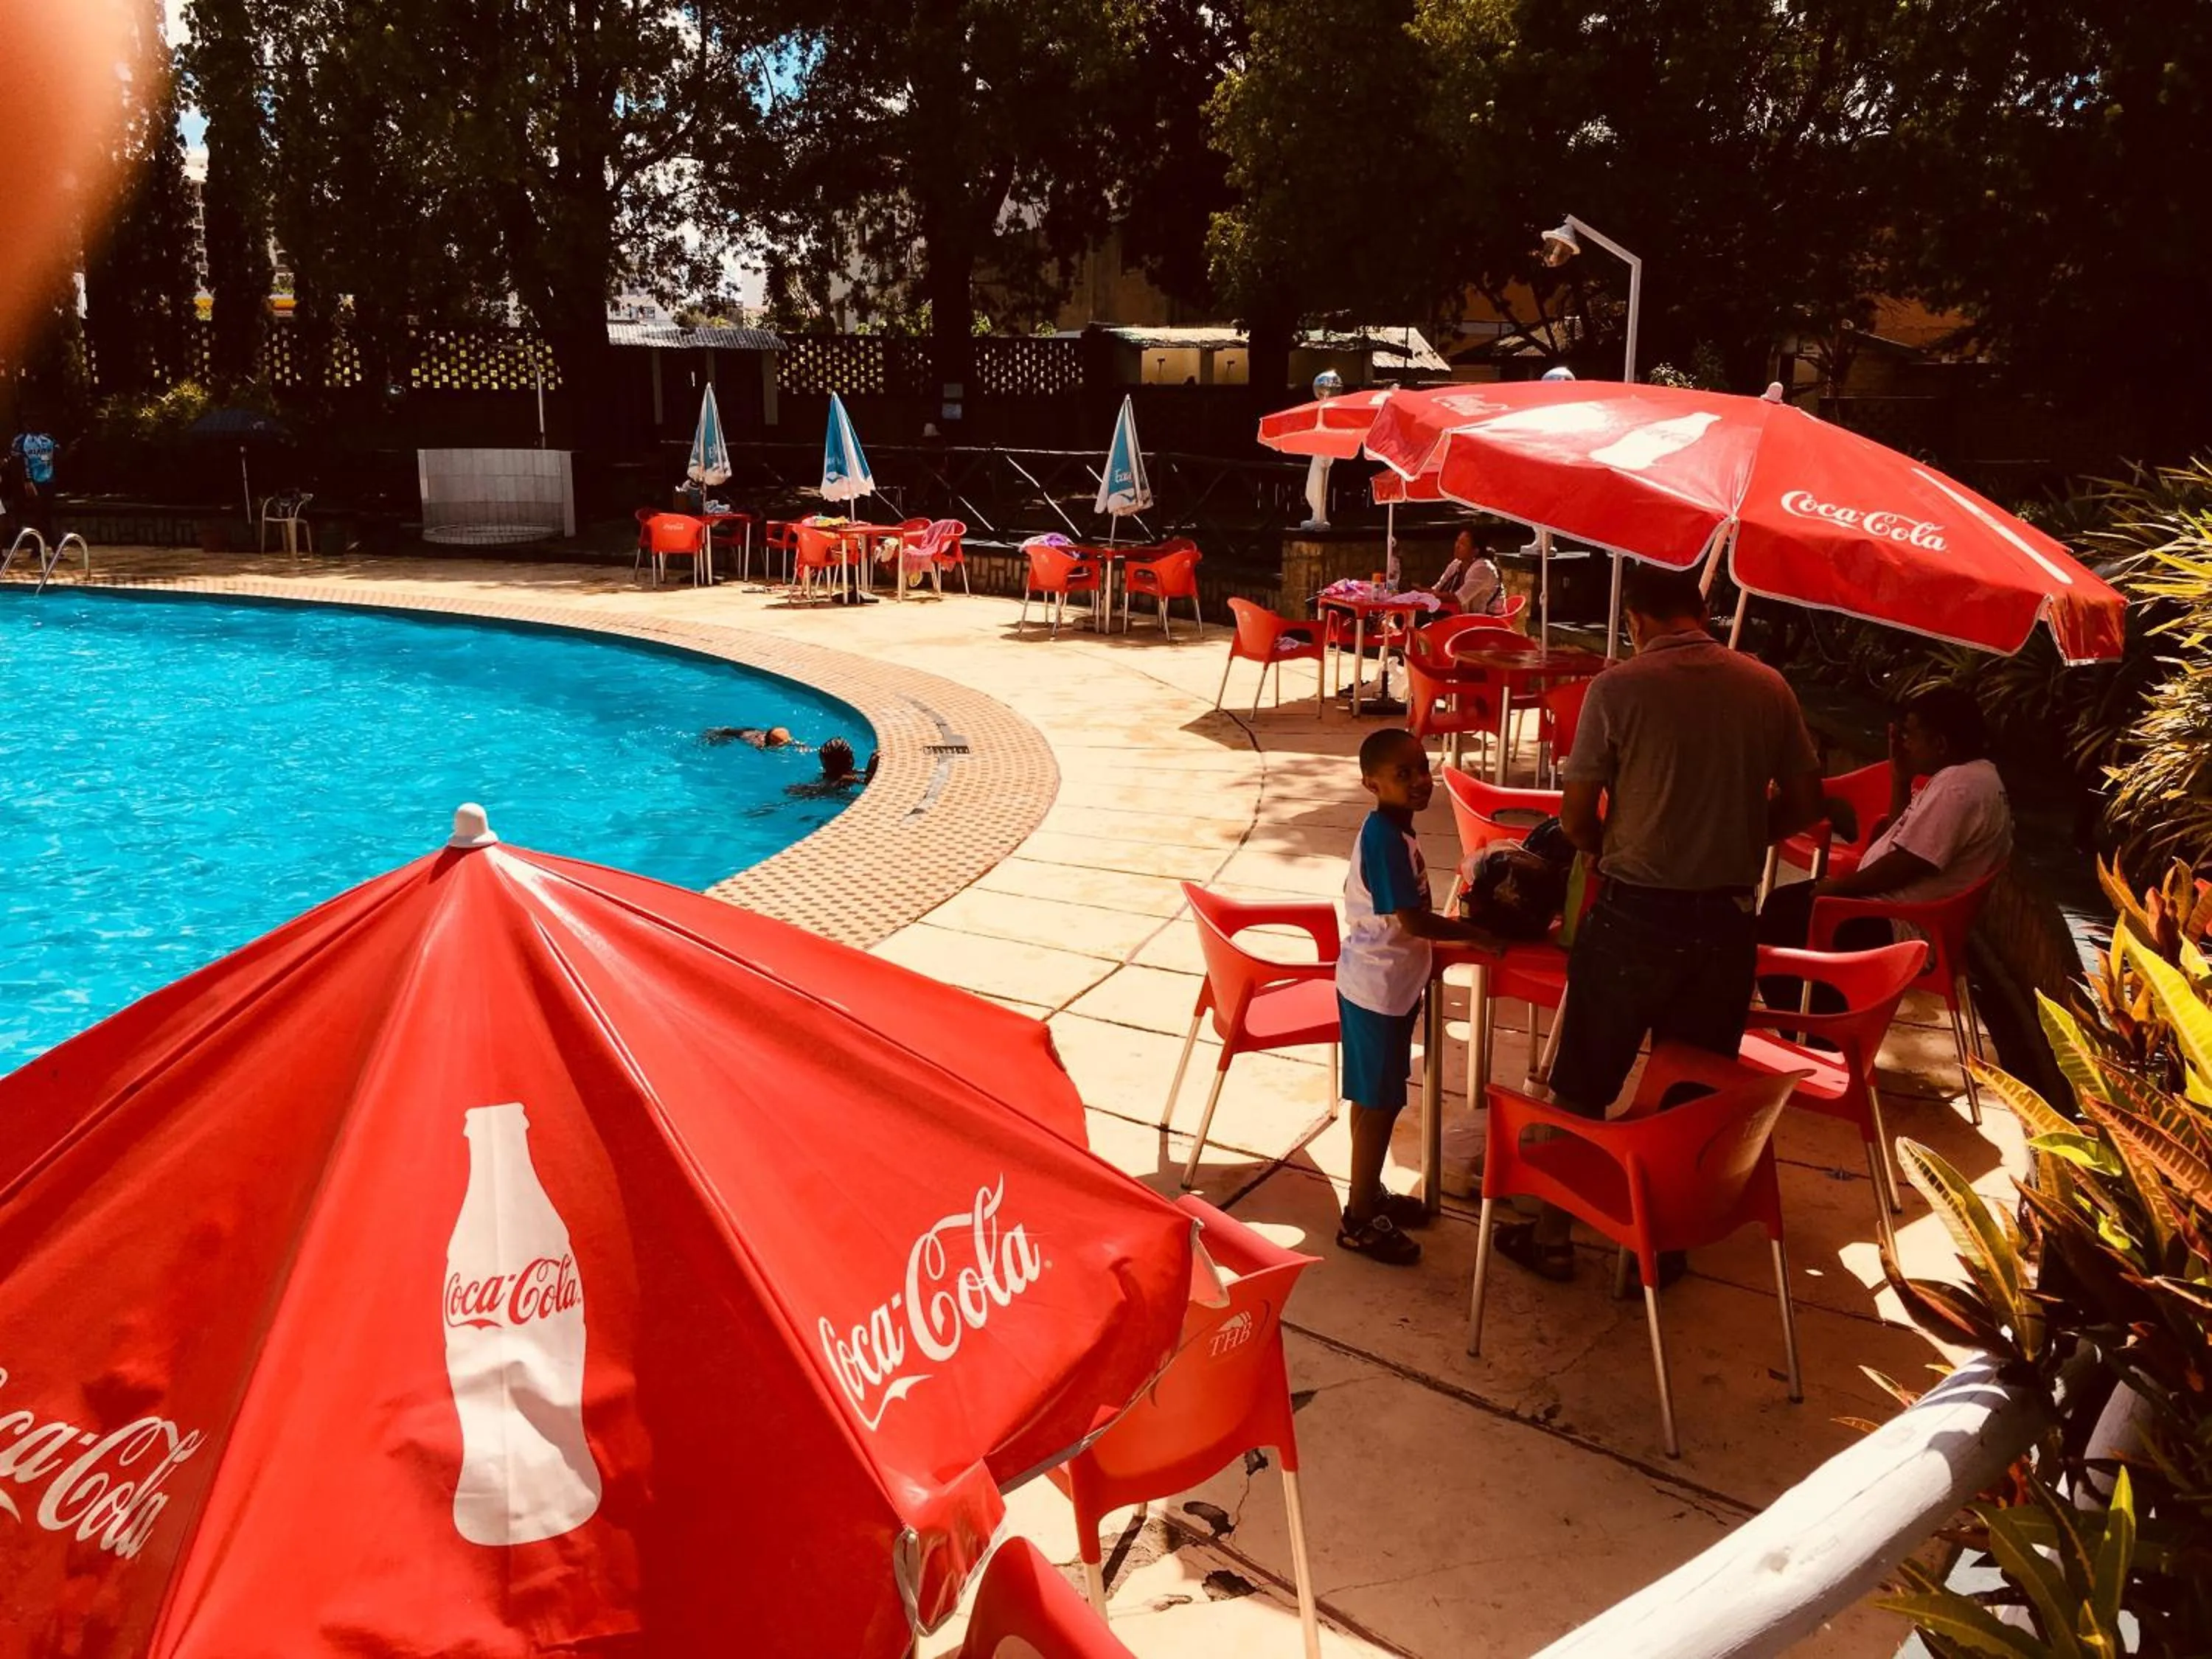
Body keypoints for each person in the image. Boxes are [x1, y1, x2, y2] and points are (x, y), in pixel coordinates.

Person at [1493, 563, 1824, 1284]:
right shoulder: (1767, 687)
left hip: (1634, 918)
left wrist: (1617, 846)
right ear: (1699, 612)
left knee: (1582, 1082)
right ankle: (1666, 1241)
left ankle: (1553, 1235)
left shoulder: (1619, 689)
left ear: (1637, 619)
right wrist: (1736, 839)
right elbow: (1804, 802)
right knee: (1689, 1090)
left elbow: (1577, 819)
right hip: (1727, 925)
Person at [1335, 728, 1499, 1266]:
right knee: (1378, 1103)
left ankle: (1369, 1189)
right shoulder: (1383, 836)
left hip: (1390, 985)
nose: (1418, 783)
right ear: (1371, 783)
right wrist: (1476, 935)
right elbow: (1411, 918)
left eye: (1422, 769)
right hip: (1377, 989)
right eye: (1402, 775)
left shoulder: (1397, 831)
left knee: (1376, 1097)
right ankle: (1359, 1218)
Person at [1759, 683, 2011, 965]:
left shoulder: (1959, 788)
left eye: (1910, 736)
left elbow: (1905, 864)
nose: (1904, 744)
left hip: (1898, 923)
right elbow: (1901, 836)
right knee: (1783, 905)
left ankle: (1819, 1002)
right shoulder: (1972, 777)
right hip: (1889, 908)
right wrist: (1901, 779)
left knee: (1782, 919)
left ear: (1940, 744)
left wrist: (1841, 888)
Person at [1419, 529, 1504, 616]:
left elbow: (1458, 598)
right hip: (1469, 617)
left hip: (1489, 620)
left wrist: (1422, 594)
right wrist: (1416, 591)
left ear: (1475, 551)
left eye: (1463, 544)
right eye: (1457, 541)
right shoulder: (1456, 564)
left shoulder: (1483, 568)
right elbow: (1437, 589)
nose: (1457, 546)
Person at [702, 725, 793, 748]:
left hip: (749, 731)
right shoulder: (760, 744)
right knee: (712, 740)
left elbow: (790, 741)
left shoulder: (773, 736)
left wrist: (801, 745)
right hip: (733, 734)